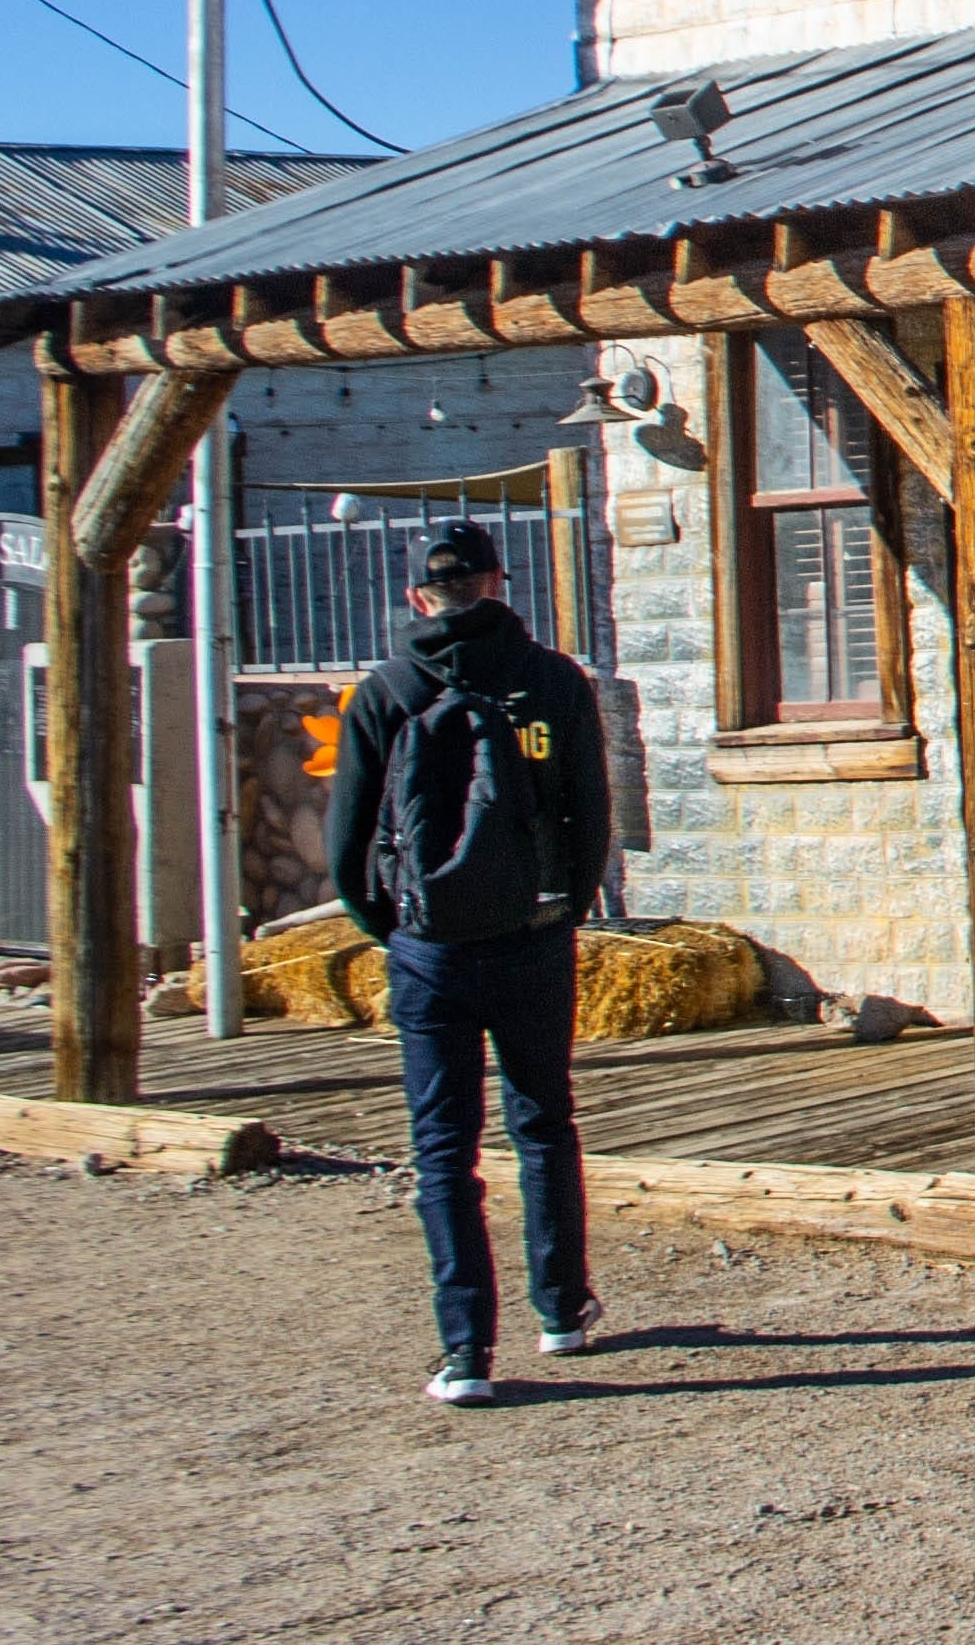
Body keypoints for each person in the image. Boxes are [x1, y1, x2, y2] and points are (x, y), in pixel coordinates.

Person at [327, 521, 620, 1407]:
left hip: (431, 949)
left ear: (418, 596)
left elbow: (347, 843)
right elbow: (589, 810)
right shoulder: (553, 681)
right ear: (498, 582)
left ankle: (465, 1352)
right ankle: (562, 1310)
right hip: (533, 934)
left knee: (442, 1147)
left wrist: (398, 928)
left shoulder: (385, 691)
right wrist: (567, 902)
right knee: (544, 1121)